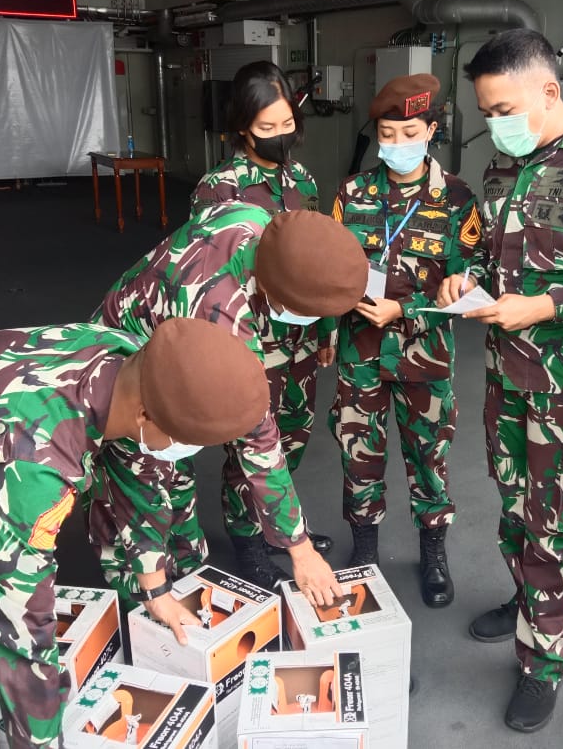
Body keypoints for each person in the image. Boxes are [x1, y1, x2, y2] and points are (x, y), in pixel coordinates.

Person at [0, 318, 268, 748]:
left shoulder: (135, 362)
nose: (188, 452)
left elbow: (139, 475)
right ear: (144, 414)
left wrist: (155, 589)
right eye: (186, 440)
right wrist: (39, 740)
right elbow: (21, 621)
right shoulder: (30, 460)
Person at [437, 29, 563, 732]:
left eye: (504, 109)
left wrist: (546, 306)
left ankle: (542, 663)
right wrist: (467, 278)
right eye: (486, 112)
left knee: (554, 526)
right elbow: (491, 254)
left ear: (549, 91)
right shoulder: (501, 167)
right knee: (515, 510)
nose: (495, 124)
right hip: (506, 377)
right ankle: (528, 606)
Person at [90, 203, 368, 603]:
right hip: (124, 374)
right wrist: (301, 550)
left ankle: (189, 579)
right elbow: (257, 439)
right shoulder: (218, 313)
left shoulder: (258, 223)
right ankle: (139, 603)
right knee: (139, 497)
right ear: (277, 292)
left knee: (178, 484)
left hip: (167, 342)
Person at [329, 73, 481, 608]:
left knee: (429, 456)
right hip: (360, 352)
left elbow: (470, 280)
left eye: (409, 133)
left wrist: (406, 308)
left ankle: (433, 552)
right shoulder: (352, 193)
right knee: (358, 453)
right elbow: (329, 267)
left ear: (431, 131)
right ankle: (364, 549)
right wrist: (333, 315)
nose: (396, 144)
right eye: (386, 135)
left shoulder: (456, 198)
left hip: (425, 356)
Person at [190, 61, 335, 557]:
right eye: (266, 127)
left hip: (300, 336)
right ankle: (248, 540)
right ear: (242, 128)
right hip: (249, 338)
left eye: (287, 123)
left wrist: (326, 328)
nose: (280, 136)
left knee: (293, 434)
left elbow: (316, 259)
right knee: (248, 443)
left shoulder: (303, 181)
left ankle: (278, 528)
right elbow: (208, 274)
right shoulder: (219, 187)